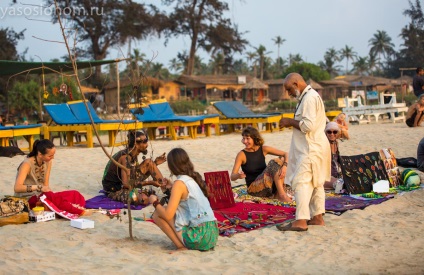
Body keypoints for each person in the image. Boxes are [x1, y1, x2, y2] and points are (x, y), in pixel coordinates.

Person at [277, 73, 331, 232]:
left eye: (289, 89)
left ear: (296, 83)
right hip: (315, 146)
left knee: (302, 182)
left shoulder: (308, 98)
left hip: (310, 149)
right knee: (316, 183)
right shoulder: (310, 96)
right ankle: (317, 217)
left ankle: (300, 220)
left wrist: (288, 121)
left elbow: (307, 126)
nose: (288, 93)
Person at [148, 148, 218, 252]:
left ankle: (181, 247)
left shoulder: (179, 183)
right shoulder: (191, 179)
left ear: (172, 166)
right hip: (212, 234)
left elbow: (168, 215)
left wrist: (154, 202)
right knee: (168, 209)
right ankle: (182, 244)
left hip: (200, 237)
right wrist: (171, 187)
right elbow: (185, 197)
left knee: (158, 214)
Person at [14, 139, 89, 216]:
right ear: (40, 154)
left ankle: (70, 207)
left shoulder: (48, 162)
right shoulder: (26, 164)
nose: (52, 158)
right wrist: (39, 188)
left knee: (74, 194)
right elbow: (17, 187)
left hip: (42, 196)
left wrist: (50, 194)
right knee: (52, 199)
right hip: (28, 198)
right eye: (50, 156)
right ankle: (78, 211)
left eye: (53, 155)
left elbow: (46, 185)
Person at [102, 130, 168, 205]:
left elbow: (135, 177)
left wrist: (155, 164)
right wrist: (150, 182)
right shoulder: (125, 158)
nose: (147, 145)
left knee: (149, 162)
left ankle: (166, 190)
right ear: (136, 144)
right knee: (143, 199)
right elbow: (127, 184)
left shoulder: (133, 154)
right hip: (116, 190)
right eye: (144, 142)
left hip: (126, 185)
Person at [230, 126, 292, 203]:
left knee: (281, 160)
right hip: (254, 188)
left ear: (254, 138)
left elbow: (286, 154)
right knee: (274, 162)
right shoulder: (242, 154)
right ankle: (282, 195)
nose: (245, 141)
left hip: (267, 184)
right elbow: (232, 177)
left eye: (247, 138)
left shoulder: (263, 149)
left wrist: (285, 167)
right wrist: (238, 176)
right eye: (243, 138)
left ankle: (278, 193)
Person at [323, 122, 344, 191]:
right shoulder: (324, 145)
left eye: (334, 132)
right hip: (325, 177)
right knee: (339, 183)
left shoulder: (336, 144)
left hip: (335, 175)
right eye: (329, 132)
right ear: (326, 133)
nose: (332, 134)